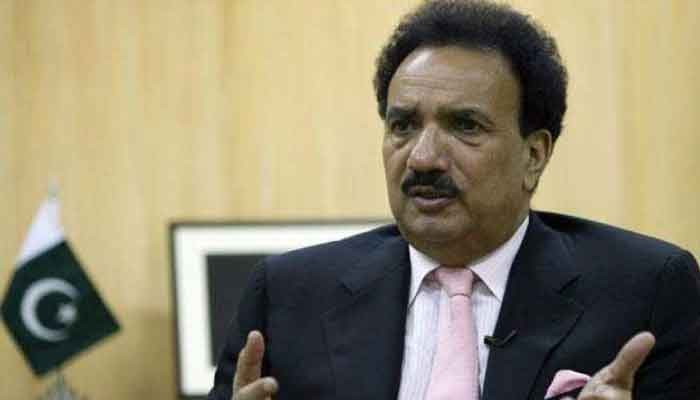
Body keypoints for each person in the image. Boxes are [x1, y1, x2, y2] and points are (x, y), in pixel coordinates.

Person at [208, 1, 700, 399]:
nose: (422, 158)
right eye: (403, 125)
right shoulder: (288, 296)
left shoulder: (646, 293)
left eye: (465, 125)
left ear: (534, 155)